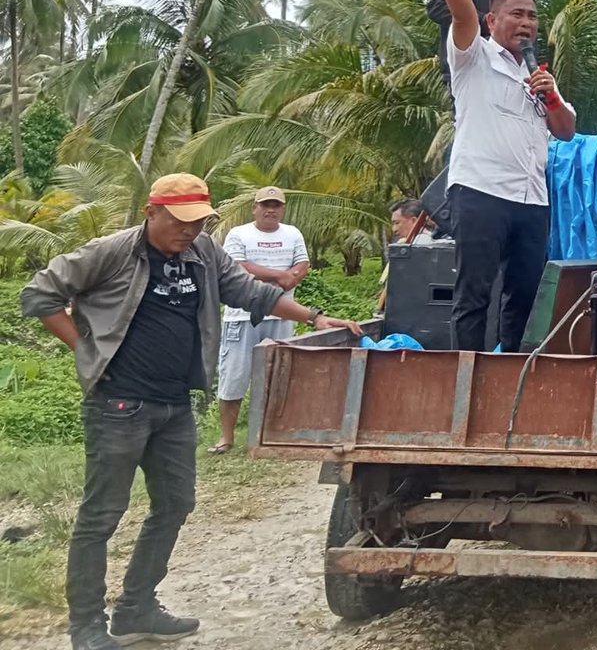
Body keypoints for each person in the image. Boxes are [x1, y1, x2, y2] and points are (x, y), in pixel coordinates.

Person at [18, 174, 363, 650]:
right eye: (181, 222)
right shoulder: (112, 250)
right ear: (151, 211)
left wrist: (315, 317)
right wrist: (88, 353)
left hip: (175, 404)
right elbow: (40, 294)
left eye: (199, 222)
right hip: (119, 404)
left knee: (175, 503)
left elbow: (253, 293)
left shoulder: (204, 253)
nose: (189, 231)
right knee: (102, 515)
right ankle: (87, 625)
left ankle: (136, 607)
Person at [434, 0, 576, 353]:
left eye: (532, 16)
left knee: (524, 296)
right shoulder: (473, 56)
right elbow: (459, 11)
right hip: (480, 191)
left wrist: (551, 95)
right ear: (492, 22)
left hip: (532, 200)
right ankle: (468, 381)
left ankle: (509, 373)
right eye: (516, 14)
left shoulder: (538, 74)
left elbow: (567, 131)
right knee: (474, 295)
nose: (527, 23)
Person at [210, 186, 309, 455]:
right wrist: (280, 277)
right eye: (265, 204)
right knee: (235, 375)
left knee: (280, 374)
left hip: (283, 314)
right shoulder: (239, 233)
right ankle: (226, 437)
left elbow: (302, 264)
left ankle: (276, 434)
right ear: (254, 208)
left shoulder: (293, 234)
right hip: (241, 317)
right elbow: (237, 268)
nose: (270, 210)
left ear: (282, 209)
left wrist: (292, 276)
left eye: (276, 205)